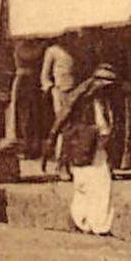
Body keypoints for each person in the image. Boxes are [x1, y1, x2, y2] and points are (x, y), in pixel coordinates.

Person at [48, 62, 120, 234]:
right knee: (89, 183)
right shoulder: (80, 97)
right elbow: (63, 117)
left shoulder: (103, 99)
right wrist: (52, 138)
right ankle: (91, 222)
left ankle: (90, 222)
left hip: (97, 145)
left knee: (97, 183)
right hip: (83, 144)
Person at [40, 36, 79, 175]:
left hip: (76, 92)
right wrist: (52, 90)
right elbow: (44, 76)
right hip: (60, 92)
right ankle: (61, 164)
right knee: (63, 128)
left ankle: (71, 163)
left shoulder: (77, 49)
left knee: (74, 128)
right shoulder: (52, 51)